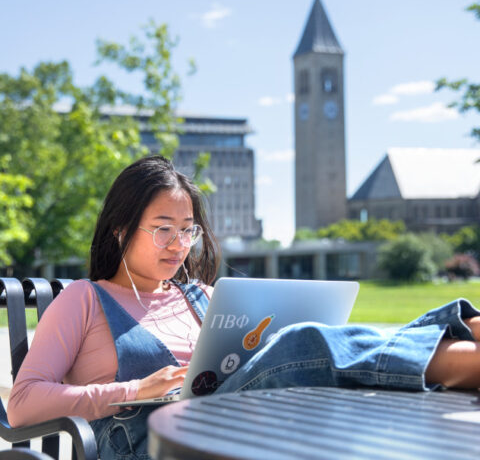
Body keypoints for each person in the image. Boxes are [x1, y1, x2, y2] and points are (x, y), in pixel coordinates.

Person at [7, 155, 480, 460]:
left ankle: (462, 340)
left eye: (188, 230)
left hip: (236, 430)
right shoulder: (84, 300)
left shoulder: (207, 299)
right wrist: (132, 390)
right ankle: (463, 341)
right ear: (120, 230)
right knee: (298, 344)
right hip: (144, 445)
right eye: (163, 228)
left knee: (297, 353)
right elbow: (23, 404)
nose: (179, 245)